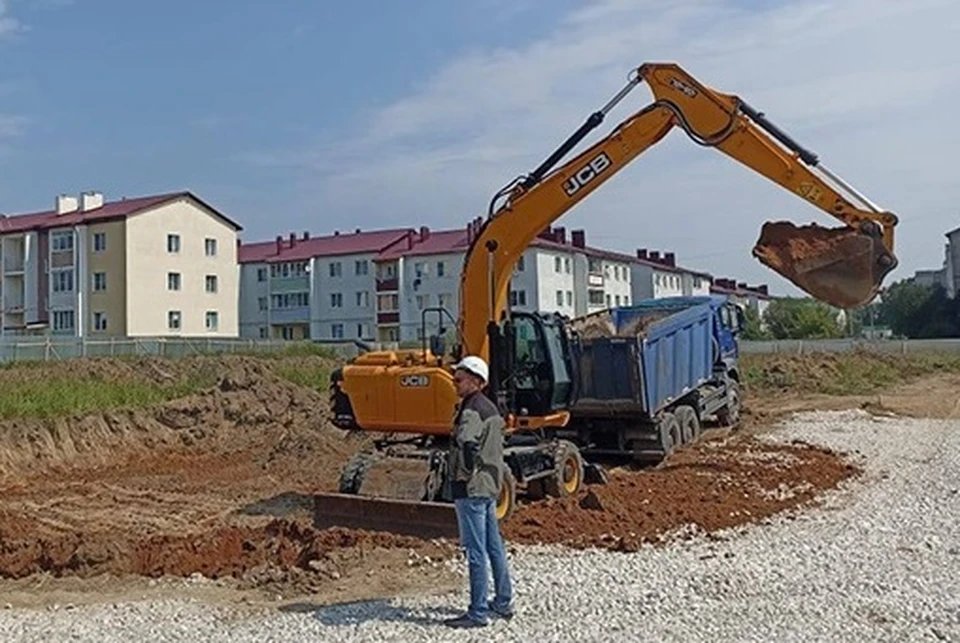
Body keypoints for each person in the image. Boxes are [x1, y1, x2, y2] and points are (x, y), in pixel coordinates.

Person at [442, 355, 515, 629]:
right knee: (494, 547)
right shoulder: (491, 409)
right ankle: (504, 601)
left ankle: (477, 612)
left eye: (459, 379)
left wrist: (464, 473)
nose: (454, 383)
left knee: (474, 551)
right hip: (490, 485)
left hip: (471, 488)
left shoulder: (471, 409)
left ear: (475, 381)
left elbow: (467, 443)